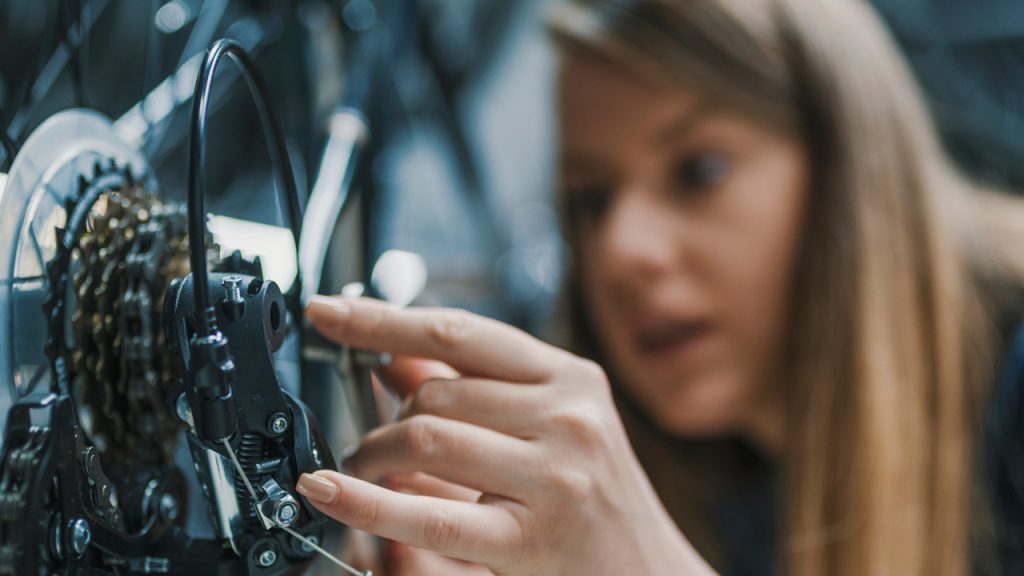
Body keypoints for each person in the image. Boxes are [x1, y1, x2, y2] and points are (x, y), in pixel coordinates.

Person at [296, 0, 1024, 574]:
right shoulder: (721, 471)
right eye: (591, 201)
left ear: (850, 170)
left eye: (698, 171)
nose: (621, 252)